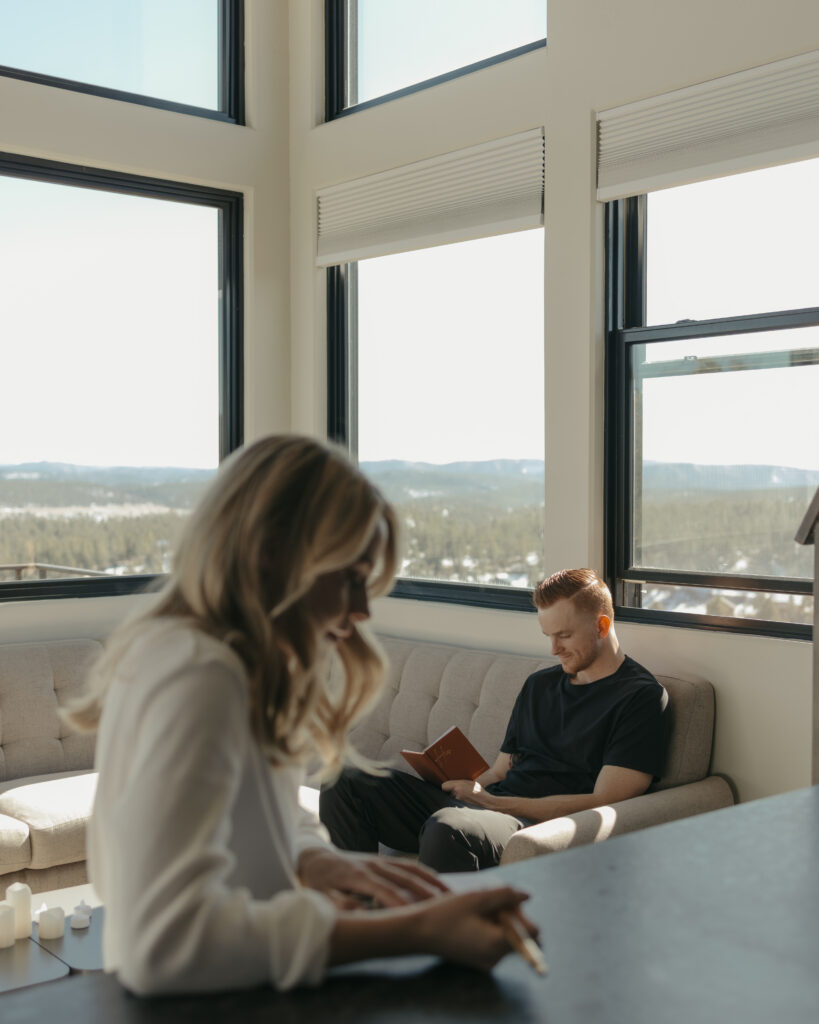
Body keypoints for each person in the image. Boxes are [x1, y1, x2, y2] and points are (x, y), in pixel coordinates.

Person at [69, 435, 536, 996]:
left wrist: (315, 859)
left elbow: (258, 812)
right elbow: (166, 946)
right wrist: (417, 931)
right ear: (275, 554)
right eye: (351, 579)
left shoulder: (232, 663)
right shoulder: (202, 677)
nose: (361, 610)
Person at [320, 568, 668, 872]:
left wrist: (491, 803)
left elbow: (605, 802)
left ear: (601, 626)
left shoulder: (640, 698)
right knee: (346, 781)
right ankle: (354, 910)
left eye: (563, 635)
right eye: (548, 636)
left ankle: (434, 926)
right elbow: (501, 771)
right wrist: (463, 787)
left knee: (448, 828)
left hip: (532, 823)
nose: (553, 649)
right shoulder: (539, 685)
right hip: (486, 808)